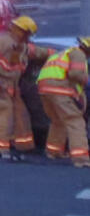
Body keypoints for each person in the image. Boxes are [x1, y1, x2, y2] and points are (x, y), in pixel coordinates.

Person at [0, 15, 56, 161]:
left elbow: (36, 52)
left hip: (11, 88)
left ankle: (24, 146)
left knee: (21, 115)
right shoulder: (3, 42)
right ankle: (0, 149)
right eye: (27, 33)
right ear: (22, 30)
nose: (29, 37)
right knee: (5, 117)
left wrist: (55, 54)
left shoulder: (20, 46)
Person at [37, 36, 90, 167]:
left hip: (44, 89)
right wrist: (88, 81)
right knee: (75, 121)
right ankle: (81, 158)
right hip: (60, 89)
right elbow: (75, 74)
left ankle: (53, 151)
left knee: (58, 121)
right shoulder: (79, 54)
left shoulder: (63, 53)